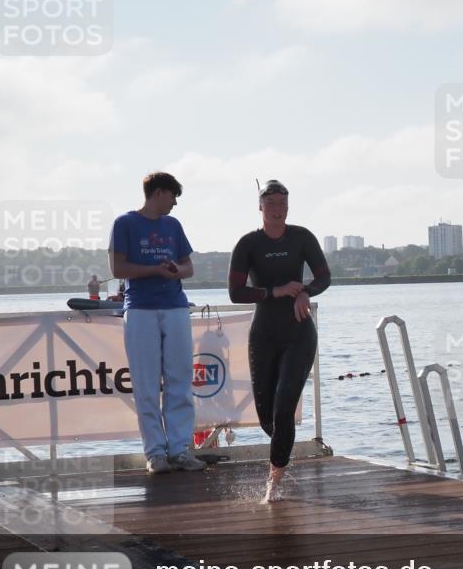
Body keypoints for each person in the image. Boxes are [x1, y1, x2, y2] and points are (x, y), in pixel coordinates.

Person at [228, 179, 331, 502]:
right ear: (260, 207)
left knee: (285, 406)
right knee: (268, 417)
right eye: (271, 203)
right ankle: (282, 452)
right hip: (264, 335)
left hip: (299, 331)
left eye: (282, 204)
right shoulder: (248, 244)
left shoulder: (302, 237)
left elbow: (324, 276)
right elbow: (235, 292)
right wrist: (274, 292)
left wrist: (305, 292)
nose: (277, 209)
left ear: (288, 207)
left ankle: (273, 484)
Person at [109, 172, 205, 474]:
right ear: (159, 192)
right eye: (173, 195)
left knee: (179, 380)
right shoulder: (124, 223)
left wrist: (176, 270)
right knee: (146, 384)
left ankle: (179, 449)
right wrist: (155, 270)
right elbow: (118, 267)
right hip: (140, 309)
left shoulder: (173, 226)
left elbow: (189, 266)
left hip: (175, 307)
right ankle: (156, 453)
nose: (175, 203)